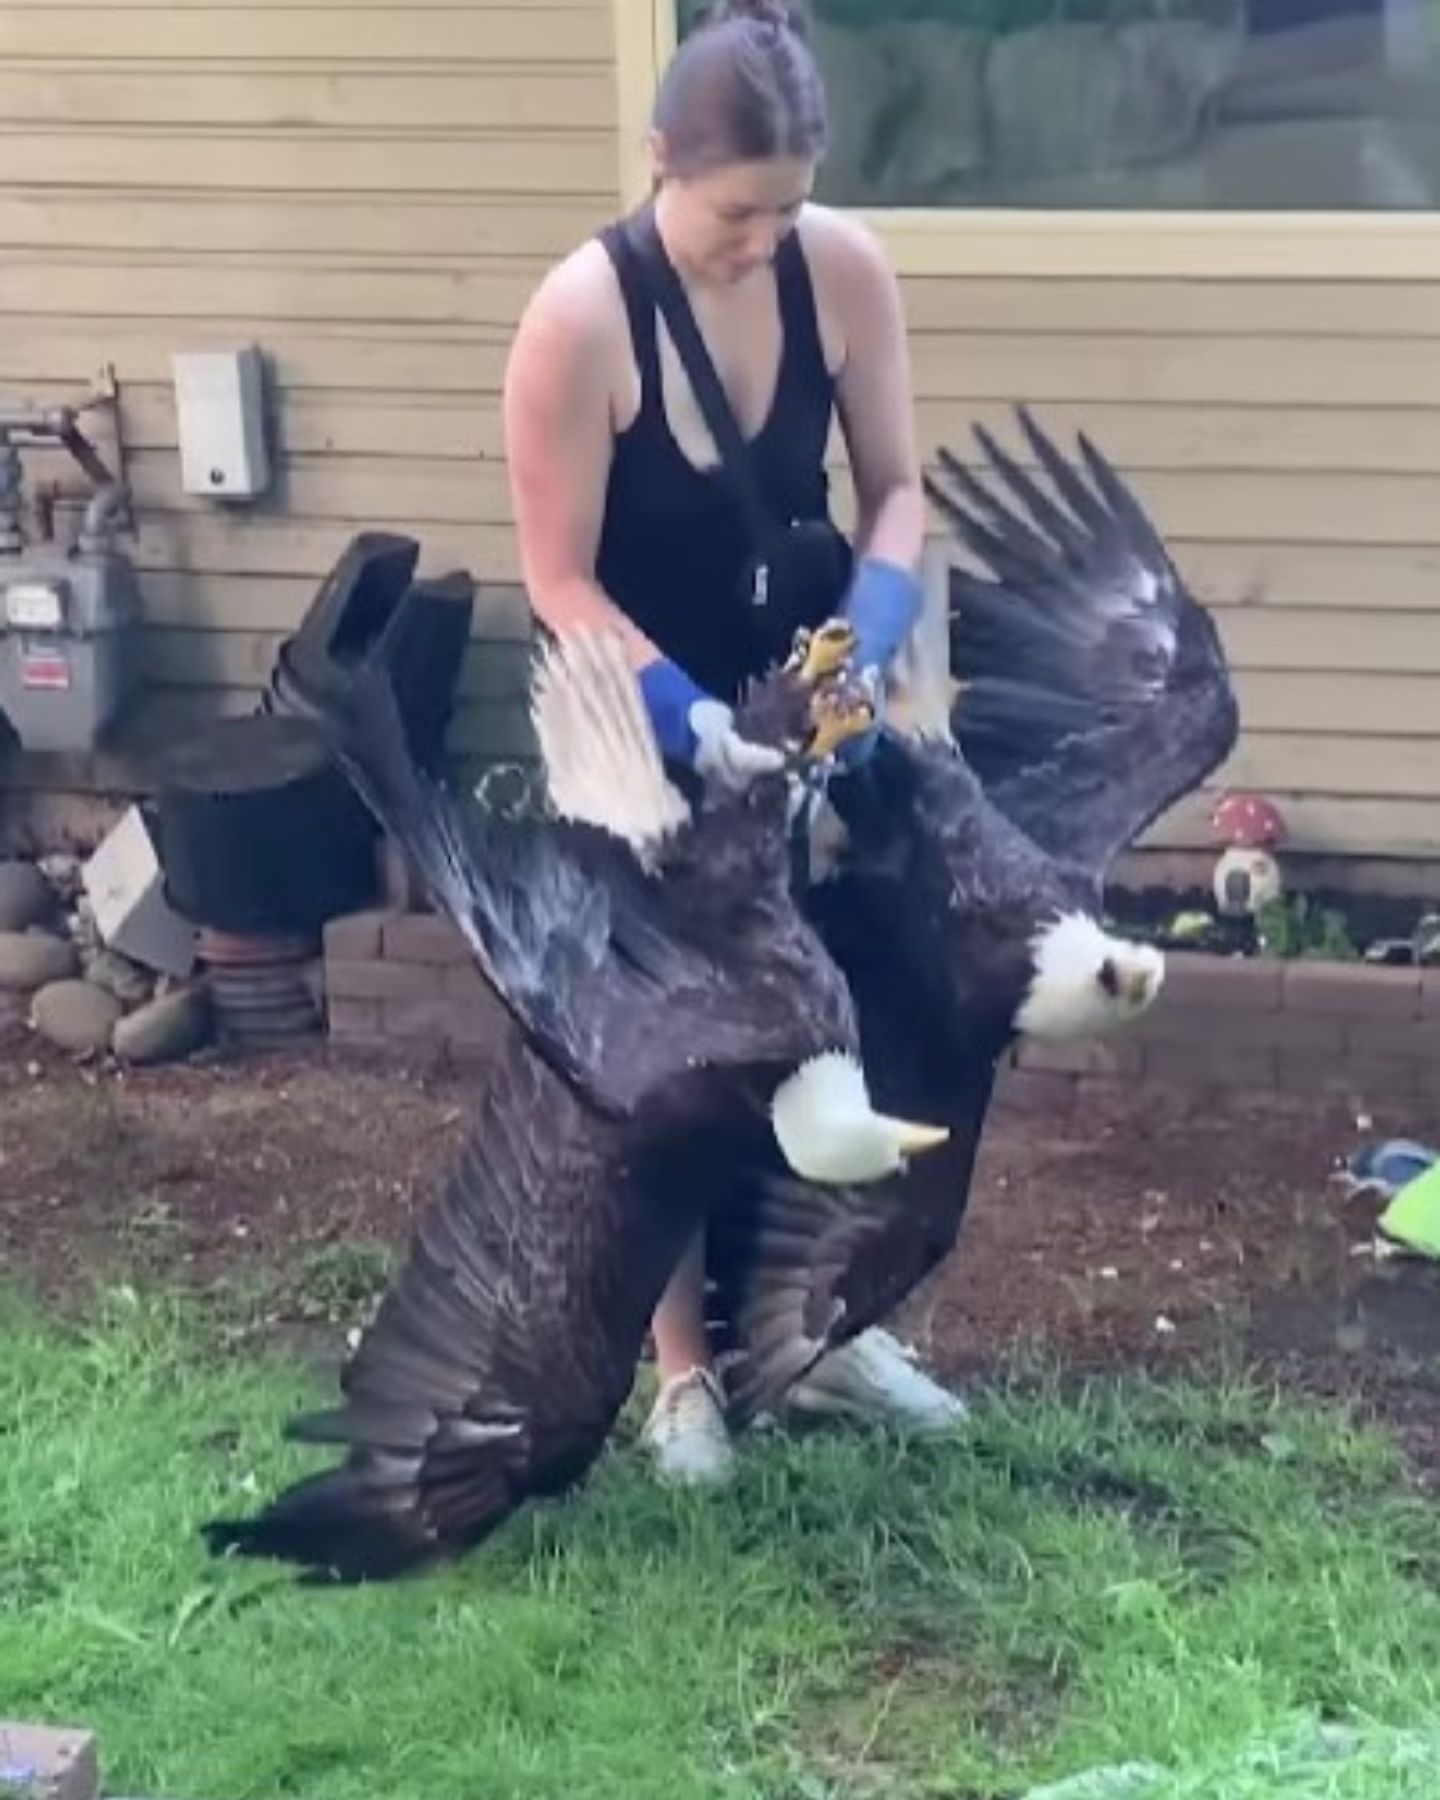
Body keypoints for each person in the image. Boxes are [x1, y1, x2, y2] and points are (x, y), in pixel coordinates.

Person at [502, 0, 967, 1486]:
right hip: (644, 715)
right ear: (659, 163)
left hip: (818, 694)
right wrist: (687, 722)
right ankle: (687, 1379)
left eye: (787, 206)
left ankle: (817, 1336)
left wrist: (877, 631)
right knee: (690, 1056)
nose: (763, 238)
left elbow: (896, 488)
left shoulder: (845, 271)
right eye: (733, 213)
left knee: (854, 1015)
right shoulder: (581, 318)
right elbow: (556, 576)